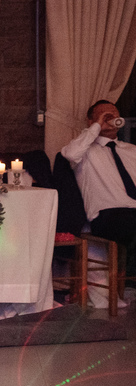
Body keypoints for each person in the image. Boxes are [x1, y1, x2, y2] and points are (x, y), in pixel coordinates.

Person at [61, 99, 136, 274]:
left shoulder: (132, 150)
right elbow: (70, 153)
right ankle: (131, 283)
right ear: (90, 121)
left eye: (114, 114)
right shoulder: (85, 152)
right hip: (108, 215)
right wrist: (97, 126)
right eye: (104, 114)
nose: (111, 117)